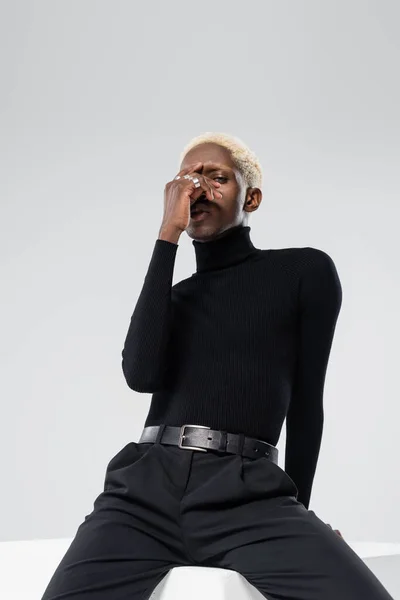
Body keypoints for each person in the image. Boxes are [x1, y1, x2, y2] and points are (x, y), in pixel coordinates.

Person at [41, 132, 394, 599]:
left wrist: (301, 512)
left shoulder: (303, 273)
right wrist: (167, 234)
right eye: (188, 177)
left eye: (216, 177)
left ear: (252, 197)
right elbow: (140, 375)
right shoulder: (174, 298)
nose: (199, 187)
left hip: (247, 498)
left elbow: (308, 403)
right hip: (143, 496)